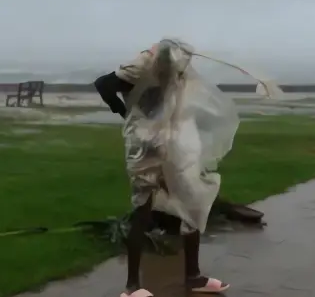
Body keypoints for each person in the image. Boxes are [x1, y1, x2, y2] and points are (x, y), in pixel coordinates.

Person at [94, 42, 230, 297]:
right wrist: (125, 113)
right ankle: (132, 287)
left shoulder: (178, 71)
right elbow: (103, 84)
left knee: (192, 204)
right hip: (145, 149)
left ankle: (193, 276)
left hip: (173, 145)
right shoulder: (140, 67)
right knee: (143, 210)